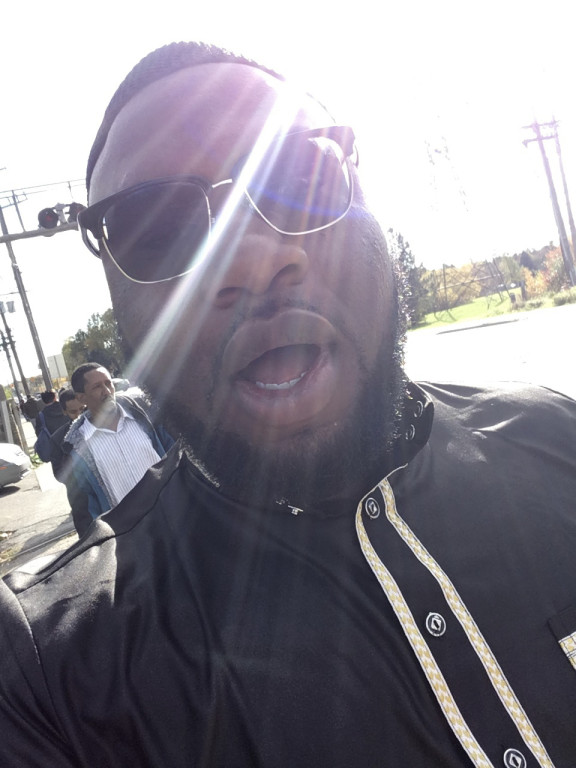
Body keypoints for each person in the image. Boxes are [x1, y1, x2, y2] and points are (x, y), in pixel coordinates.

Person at [0, 42, 575, 768]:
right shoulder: (51, 675)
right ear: (121, 311)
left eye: (300, 179)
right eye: (159, 229)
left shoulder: (557, 437)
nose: (253, 258)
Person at [54, 362, 174, 536]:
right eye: (97, 387)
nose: (107, 391)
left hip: (176, 515)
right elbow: (85, 512)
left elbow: (178, 454)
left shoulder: (145, 416)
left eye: (108, 383)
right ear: (82, 398)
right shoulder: (77, 451)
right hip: (134, 537)